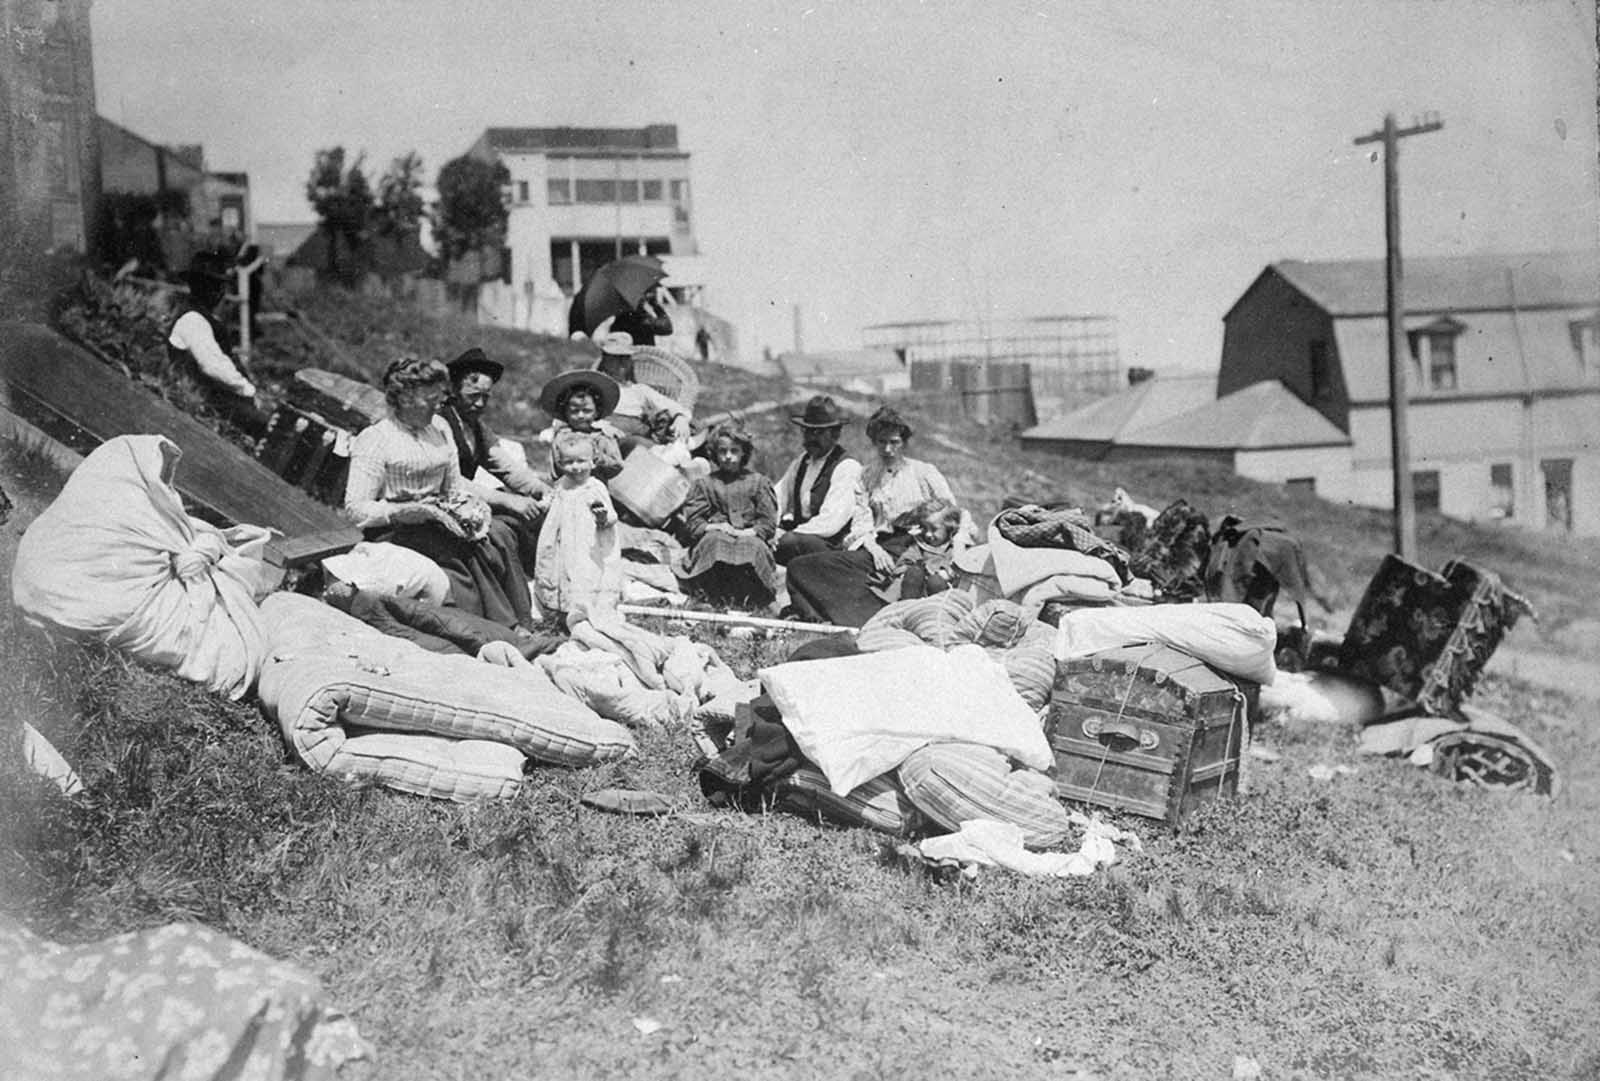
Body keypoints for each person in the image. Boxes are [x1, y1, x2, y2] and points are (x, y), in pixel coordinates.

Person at [343, 355, 533, 629]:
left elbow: (454, 487)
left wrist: (468, 509)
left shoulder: (440, 429)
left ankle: (522, 619)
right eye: (429, 398)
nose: (438, 404)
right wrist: (402, 512)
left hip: (440, 519)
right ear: (405, 398)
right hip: (397, 528)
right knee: (459, 555)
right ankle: (490, 629)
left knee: (497, 535)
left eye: (438, 397)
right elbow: (355, 508)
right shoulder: (376, 439)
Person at [783, 406, 975, 627]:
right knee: (800, 566)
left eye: (894, 442)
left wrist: (957, 545)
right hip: (879, 550)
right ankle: (818, 619)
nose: (887, 449)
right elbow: (861, 523)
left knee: (906, 580)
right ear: (873, 441)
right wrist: (874, 550)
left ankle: (873, 617)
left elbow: (954, 512)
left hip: (916, 548)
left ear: (904, 442)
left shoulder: (923, 472)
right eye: (881, 442)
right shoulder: (865, 476)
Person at [439, 347, 550, 571]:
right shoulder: (439, 423)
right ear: (454, 390)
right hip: (441, 501)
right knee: (508, 525)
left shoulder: (478, 428)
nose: (479, 404)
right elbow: (450, 480)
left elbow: (507, 467)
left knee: (536, 515)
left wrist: (542, 490)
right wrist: (509, 501)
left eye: (485, 397)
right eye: (473, 396)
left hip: (464, 503)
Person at [166, 251, 269, 439]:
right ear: (195, 285)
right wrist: (249, 391)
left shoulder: (206, 318)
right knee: (266, 428)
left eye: (220, 286)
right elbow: (213, 366)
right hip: (201, 397)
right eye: (210, 286)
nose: (218, 292)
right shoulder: (192, 319)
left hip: (217, 394)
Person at [674, 423, 779, 608]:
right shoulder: (705, 484)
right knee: (715, 542)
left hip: (749, 535)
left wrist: (748, 533)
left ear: (743, 453)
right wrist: (717, 527)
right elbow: (693, 523)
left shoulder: (758, 482)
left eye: (734, 451)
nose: (728, 456)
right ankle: (711, 596)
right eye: (722, 451)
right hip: (716, 534)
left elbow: (767, 523)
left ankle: (752, 598)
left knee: (753, 547)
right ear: (715, 454)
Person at [534, 430, 621, 628]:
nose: (575, 468)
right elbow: (553, 500)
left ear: (592, 462)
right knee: (560, 571)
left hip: (587, 543)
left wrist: (602, 517)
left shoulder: (594, 487)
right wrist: (543, 504)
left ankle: (585, 612)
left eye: (581, 461)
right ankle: (561, 611)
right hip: (563, 541)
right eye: (568, 462)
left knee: (586, 574)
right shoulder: (561, 485)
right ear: (560, 464)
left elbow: (611, 515)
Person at [771, 395, 863, 565]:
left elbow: (831, 523)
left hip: (832, 546)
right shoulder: (801, 463)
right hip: (803, 537)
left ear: (835, 434)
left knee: (787, 542)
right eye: (807, 431)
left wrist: (786, 535)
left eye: (819, 432)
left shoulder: (847, 467)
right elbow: (777, 498)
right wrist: (768, 528)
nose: (811, 438)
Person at [592, 332, 690, 446]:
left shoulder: (639, 390)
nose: (621, 363)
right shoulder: (596, 385)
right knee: (638, 443)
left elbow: (671, 406)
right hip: (609, 435)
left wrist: (680, 417)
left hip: (637, 434)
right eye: (616, 358)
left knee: (694, 427)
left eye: (626, 358)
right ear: (605, 360)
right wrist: (603, 427)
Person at [537, 368, 626, 482]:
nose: (580, 415)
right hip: (567, 487)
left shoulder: (603, 437)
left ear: (596, 412)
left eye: (587, 411)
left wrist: (599, 457)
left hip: (595, 487)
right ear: (565, 412)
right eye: (574, 411)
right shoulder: (561, 438)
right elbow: (555, 470)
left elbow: (617, 466)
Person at [608, 284, 673, 347]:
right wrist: (655, 305)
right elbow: (667, 328)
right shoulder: (638, 317)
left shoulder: (617, 318)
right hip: (641, 356)